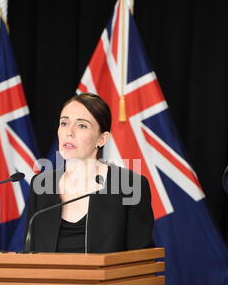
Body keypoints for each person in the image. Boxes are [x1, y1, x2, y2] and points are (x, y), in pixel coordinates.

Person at [24, 93, 154, 253]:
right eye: (64, 123)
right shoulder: (42, 185)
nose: (69, 132)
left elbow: (141, 261)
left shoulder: (130, 185)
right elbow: (29, 255)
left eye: (82, 126)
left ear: (102, 139)